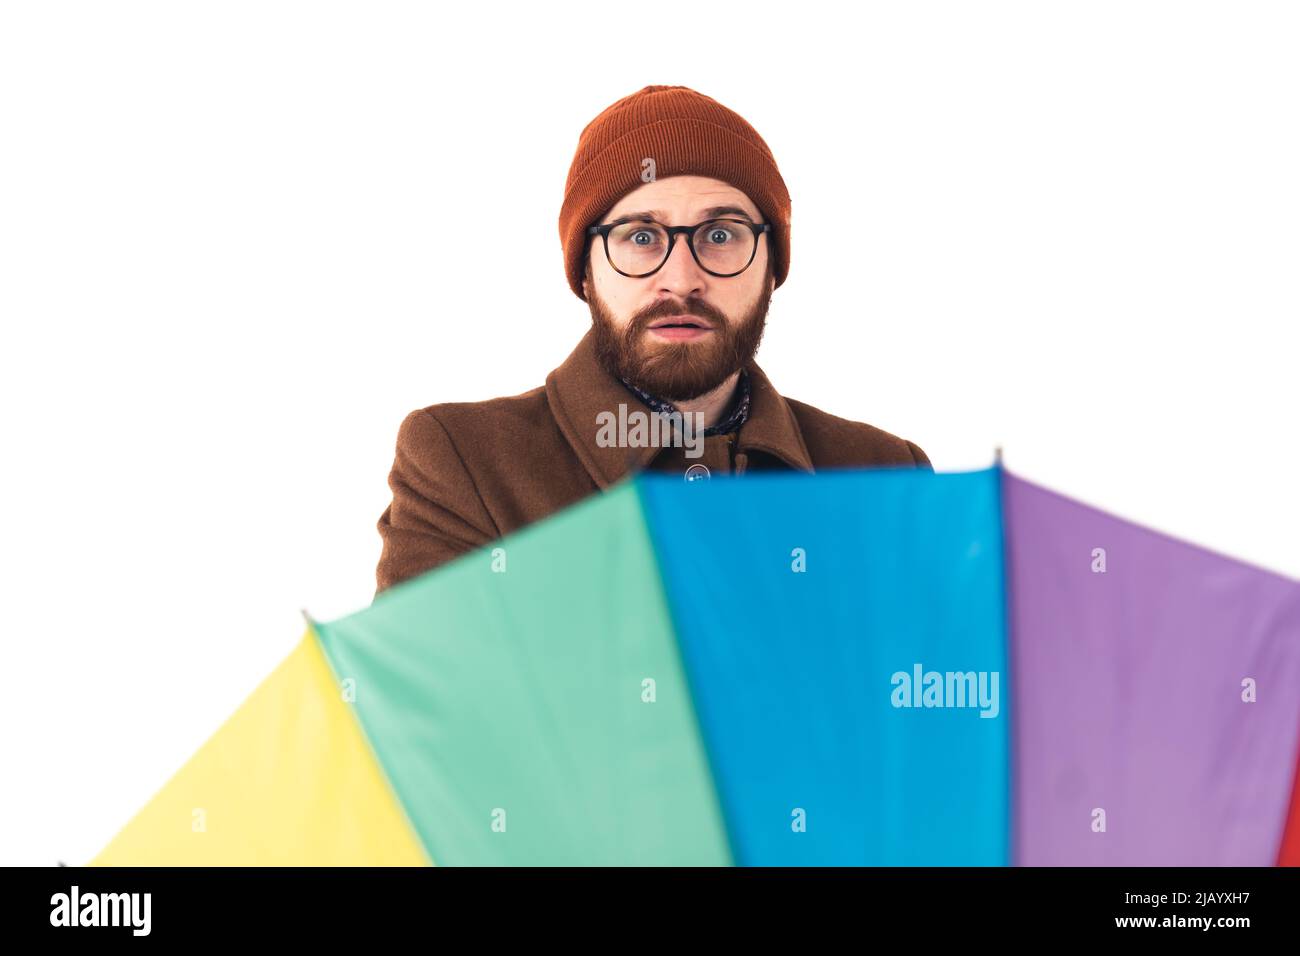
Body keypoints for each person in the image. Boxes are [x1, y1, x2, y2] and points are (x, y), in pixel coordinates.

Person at [375, 85, 930, 596]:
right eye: (642, 237)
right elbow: (416, 702)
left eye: (720, 235)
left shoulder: (885, 473)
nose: (682, 278)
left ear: (771, 266)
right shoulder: (464, 462)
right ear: (585, 270)